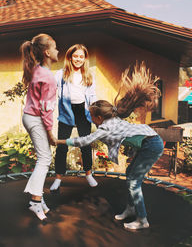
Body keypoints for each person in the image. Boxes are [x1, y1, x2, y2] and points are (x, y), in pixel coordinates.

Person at [57, 63, 164, 230]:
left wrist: (60, 141)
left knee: (134, 181)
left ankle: (142, 220)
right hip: (149, 141)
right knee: (130, 174)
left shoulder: (106, 127)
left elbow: (84, 141)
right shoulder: (111, 119)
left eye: (91, 115)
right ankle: (130, 210)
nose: (90, 118)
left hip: (151, 144)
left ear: (99, 117)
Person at [20, 33, 58, 220]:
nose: (58, 50)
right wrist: (50, 133)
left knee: (43, 158)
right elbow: (46, 108)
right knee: (44, 159)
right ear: (47, 52)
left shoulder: (36, 69)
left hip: (29, 116)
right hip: (36, 118)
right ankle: (35, 202)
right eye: (55, 47)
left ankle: (38, 199)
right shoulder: (47, 77)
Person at [50, 44, 98, 192]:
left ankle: (88, 174)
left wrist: (96, 111)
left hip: (83, 111)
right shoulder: (61, 73)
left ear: (85, 59)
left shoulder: (88, 75)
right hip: (66, 111)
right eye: (75, 56)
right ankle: (58, 178)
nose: (78, 59)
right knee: (62, 146)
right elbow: (52, 91)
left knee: (85, 144)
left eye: (81, 57)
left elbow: (92, 95)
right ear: (70, 57)